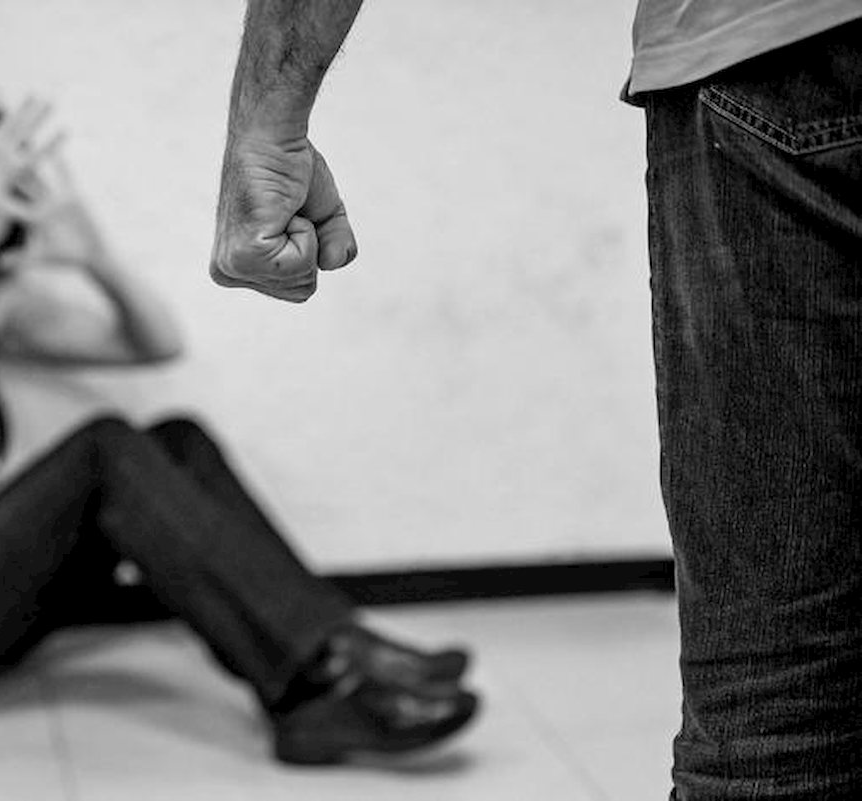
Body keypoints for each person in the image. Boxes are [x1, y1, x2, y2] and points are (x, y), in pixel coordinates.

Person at [210, 1, 862, 797]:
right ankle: (336, 656)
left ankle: (336, 655)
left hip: (783, 50)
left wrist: (267, 122)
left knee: (782, 711)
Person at [0, 87, 480, 767]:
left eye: (4, 194)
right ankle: (321, 675)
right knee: (101, 448)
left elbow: (155, 343)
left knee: (176, 441)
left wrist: (94, 254)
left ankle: (331, 651)